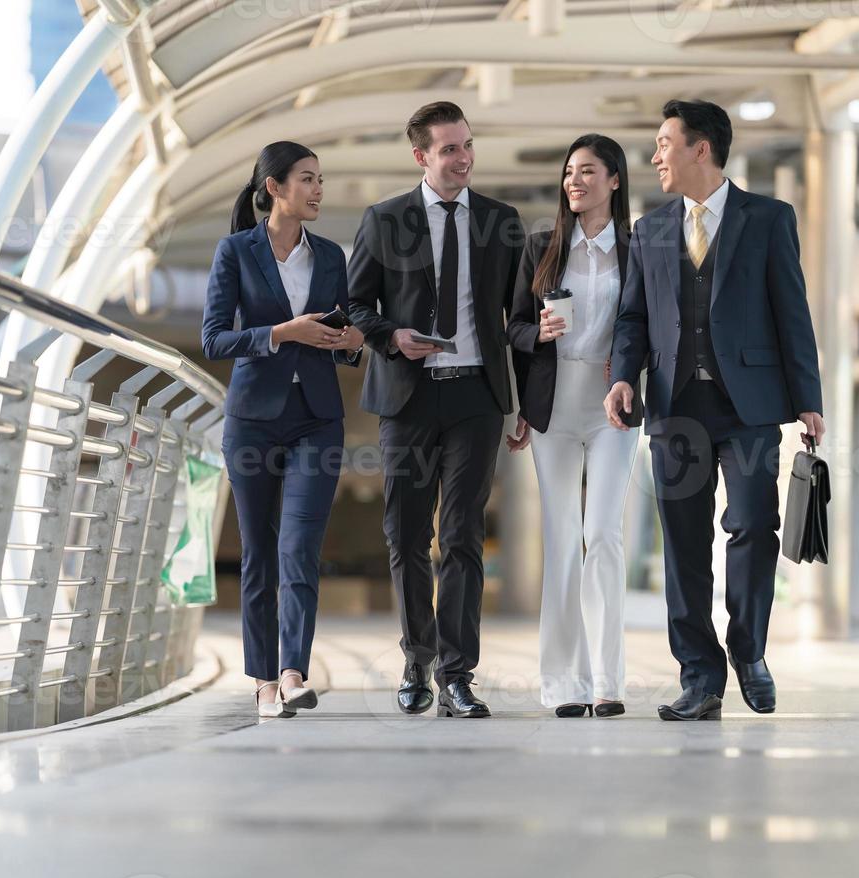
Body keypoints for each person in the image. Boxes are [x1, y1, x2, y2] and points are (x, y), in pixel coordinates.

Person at [603, 100, 825, 721]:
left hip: (749, 405)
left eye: (664, 143)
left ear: (701, 149)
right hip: (676, 406)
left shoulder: (769, 219)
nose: (655, 157)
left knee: (754, 523)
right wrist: (623, 377)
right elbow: (633, 318)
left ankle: (748, 650)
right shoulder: (648, 230)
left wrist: (808, 400)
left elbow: (793, 314)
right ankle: (699, 676)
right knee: (683, 542)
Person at [347, 101, 525, 718]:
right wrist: (392, 336)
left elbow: (518, 319)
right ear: (422, 157)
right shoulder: (386, 219)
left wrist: (524, 402)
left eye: (468, 145)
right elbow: (355, 305)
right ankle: (415, 661)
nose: (463, 158)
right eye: (449, 149)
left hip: (477, 396)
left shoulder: (502, 222)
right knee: (406, 534)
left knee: (463, 537)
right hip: (409, 397)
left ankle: (457, 674)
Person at [201, 141, 365, 719]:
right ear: (274, 187)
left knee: (299, 547)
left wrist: (350, 343)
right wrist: (281, 333)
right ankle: (263, 681)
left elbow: (342, 335)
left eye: (321, 179)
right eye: (307, 179)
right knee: (259, 557)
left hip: (317, 420)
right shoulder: (235, 252)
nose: (319, 189)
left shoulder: (330, 256)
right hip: (252, 422)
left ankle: (294, 669)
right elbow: (214, 339)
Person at [505, 134, 638, 718]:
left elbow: (654, 325)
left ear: (614, 180)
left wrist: (632, 371)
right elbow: (510, 328)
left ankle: (608, 681)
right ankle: (564, 683)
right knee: (561, 539)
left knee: (603, 535)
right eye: (568, 173)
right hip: (553, 407)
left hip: (614, 407)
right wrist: (538, 335)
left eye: (587, 171)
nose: (574, 181)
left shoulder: (639, 250)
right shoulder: (541, 247)